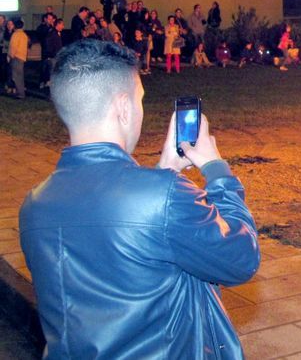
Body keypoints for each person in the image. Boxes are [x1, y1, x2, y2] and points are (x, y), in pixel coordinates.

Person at [19, 39, 260, 358]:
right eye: (140, 100)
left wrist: (163, 172)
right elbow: (241, 259)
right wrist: (217, 171)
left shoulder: (35, 204)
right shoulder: (162, 197)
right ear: (123, 107)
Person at [7, 19, 28, 99]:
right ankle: (21, 92)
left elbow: (13, 46)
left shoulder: (15, 34)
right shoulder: (24, 35)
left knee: (16, 76)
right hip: (22, 57)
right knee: (20, 76)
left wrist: (10, 56)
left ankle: (20, 93)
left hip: (16, 57)